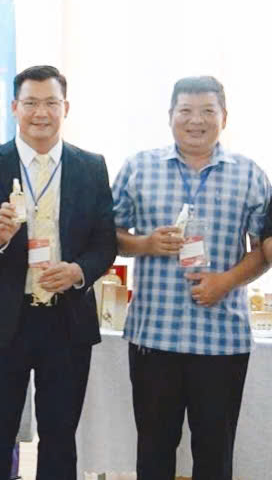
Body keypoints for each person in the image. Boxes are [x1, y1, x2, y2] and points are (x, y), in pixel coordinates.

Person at [0, 65, 117, 480]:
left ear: (66, 108)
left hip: (66, 320)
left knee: (60, 437)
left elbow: (105, 244)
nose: (40, 113)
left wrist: (78, 271)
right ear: (14, 108)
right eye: (30, 103)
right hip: (2, 321)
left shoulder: (91, 166)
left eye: (50, 103)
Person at [111, 76, 270, 480]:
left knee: (215, 456)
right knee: (153, 453)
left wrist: (227, 281)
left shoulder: (250, 175)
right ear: (170, 116)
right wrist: (146, 243)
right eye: (186, 111)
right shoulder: (139, 167)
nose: (196, 120)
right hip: (154, 337)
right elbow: (108, 235)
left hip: (221, 339)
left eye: (207, 111)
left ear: (224, 117)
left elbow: (263, 250)